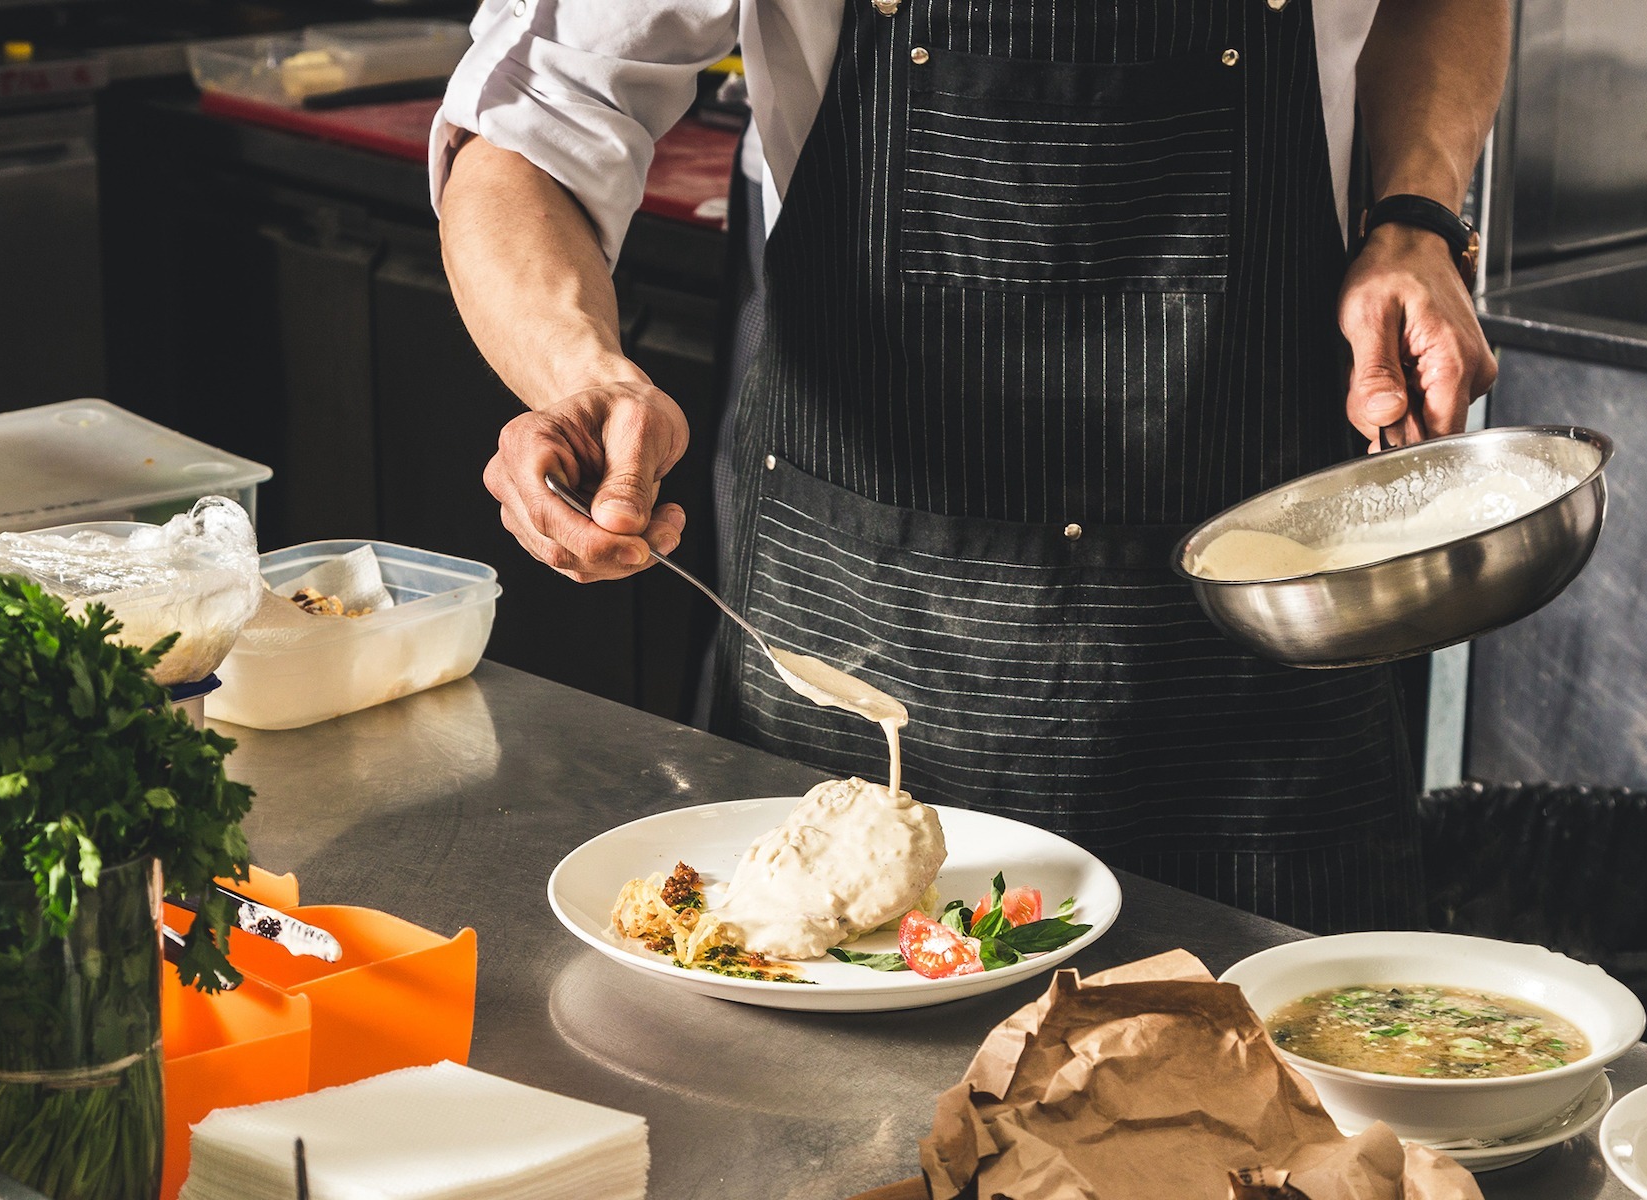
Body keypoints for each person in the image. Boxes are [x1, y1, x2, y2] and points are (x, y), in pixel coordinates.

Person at [432, 0, 1506, 934]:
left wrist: (1415, 213)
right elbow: (528, 132)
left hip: (1260, 720)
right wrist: (585, 372)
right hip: (856, 675)